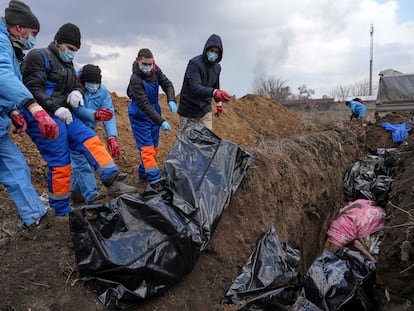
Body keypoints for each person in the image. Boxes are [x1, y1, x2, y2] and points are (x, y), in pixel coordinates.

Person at [21, 23, 136, 218]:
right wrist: (54, 108)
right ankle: (62, 212)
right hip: (42, 115)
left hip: (64, 114)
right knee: (61, 163)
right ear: (57, 43)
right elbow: (32, 88)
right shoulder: (38, 56)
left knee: (90, 139)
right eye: (71, 49)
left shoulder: (68, 65)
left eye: (76, 50)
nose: (72, 54)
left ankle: (112, 179)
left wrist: (76, 91)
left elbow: (76, 84)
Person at [0, 0, 59, 228]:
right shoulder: (2, 42)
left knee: (16, 168)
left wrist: (14, 111)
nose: (33, 38)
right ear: (19, 28)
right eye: (32, 33)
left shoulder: (11, 48)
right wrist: (34, 107)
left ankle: (36, 217)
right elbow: (2, 76)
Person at [70, 64, 123, 203]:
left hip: (89, 132)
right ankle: (92, 196)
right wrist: (94, 115)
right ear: (83, 81)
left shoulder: (102, 91)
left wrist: (112, 137)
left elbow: (108, 114)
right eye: (91, 83)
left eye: (96, 83)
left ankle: (75, 192)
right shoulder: (73, 88)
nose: (94, 86)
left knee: (81, 163)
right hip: (73, 130)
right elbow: (75, 109)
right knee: (81, 163)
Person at [127, 48, 176, 188]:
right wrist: (161, 121)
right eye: (145, 64)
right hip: (140, 115)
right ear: (138, 61)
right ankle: (155, 182)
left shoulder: (155, 70)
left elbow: (167, 84)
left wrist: (171, 99)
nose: (148, 67)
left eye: (150, 64)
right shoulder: (135, 80)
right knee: (147, 150)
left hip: (155, 111)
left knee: (153, 148)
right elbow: (144, 104)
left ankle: (143, 174)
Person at [178, 34, 232, 130]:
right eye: (211, 50)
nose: (213, 53)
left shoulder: (217, 67)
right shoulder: (195, 64)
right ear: (206, 49)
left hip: (204, 109)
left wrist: (218, 104)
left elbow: (216, 85)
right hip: (188, 109)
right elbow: (195, 87)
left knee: (207, 140)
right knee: (187, 142)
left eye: (216, 52)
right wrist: (214, 92)